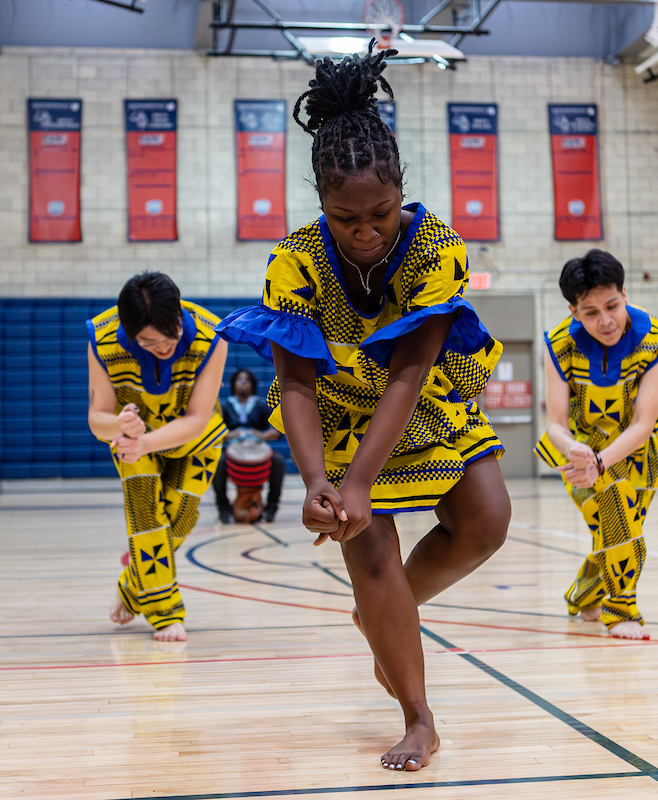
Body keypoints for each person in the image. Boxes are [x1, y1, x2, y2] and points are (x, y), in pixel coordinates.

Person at [217, 43, 511, 772]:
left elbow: (411, 371)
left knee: (487, 521)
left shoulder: (436, 246)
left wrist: (356, 484)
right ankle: (419, 718)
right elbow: (294, 385)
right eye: (345, 218)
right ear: (321, 204)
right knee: (368, 548)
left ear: (401, 191)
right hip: (346, 420)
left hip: (428, 399)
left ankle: (387, 616)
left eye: (379, 212)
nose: (365, 230)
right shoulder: (293, 262)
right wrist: (322, 481)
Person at [536, 250, 658, 640]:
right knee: (619, 520)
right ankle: (622, 611)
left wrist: (600, 460)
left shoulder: (657, 340)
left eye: (612, 305)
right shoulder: (558, 344)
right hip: (580, 454)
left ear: (625, 293)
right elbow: (555, 424)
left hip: (640, 453)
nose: (606, 320)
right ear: (573, 310)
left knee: (616, 530)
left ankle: (582, 595)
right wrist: (576, 451)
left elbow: (644, 423)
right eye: (591, 312)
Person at [87, 271, 228, 642]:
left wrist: (146, 443)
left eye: (172, 336)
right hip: (132, 439)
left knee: (180, 520)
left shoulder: (214, 334)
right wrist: (118, 425)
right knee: (148, 521)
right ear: (129, 332)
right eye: (151, 342)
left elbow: (198, 417)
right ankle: (166, 615)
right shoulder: (101, 338)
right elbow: (97, 417)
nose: (165, 347)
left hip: (196, 438)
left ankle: (131, 586)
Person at [213, 368, 285, 523]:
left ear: (253, 383)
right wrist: (234, 434)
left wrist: (260, 435)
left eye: (247, 379)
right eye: (240, 379)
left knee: (278, 461)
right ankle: (223, 508)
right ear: (234, 383)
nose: (243, 382)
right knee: (217, 463)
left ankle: (271, 507)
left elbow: (276, 431)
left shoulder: (260, 405)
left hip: (257, 448)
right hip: (232, 450)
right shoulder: (225, 406)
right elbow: (214, 433)